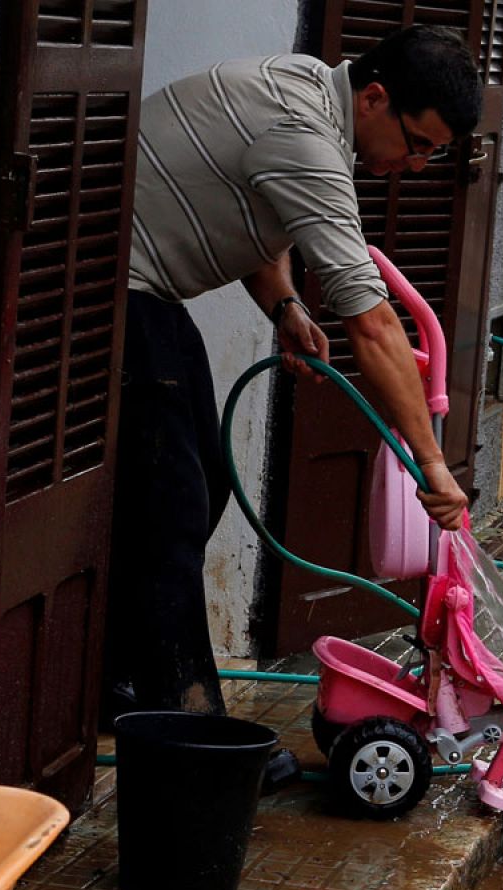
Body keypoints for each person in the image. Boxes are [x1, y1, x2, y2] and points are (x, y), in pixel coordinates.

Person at [103, 26, 476, 719]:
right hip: (103, 282)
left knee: (206, 482)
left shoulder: (308, 93)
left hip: (142, 289)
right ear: (374, 98)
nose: (419, 165)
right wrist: (434, 465)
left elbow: (259, 213)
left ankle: (117, 674)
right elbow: (374, 324)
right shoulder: (304, 135)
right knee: (172, 510)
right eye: (419, 144)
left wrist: (285, 305)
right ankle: (186, 720)